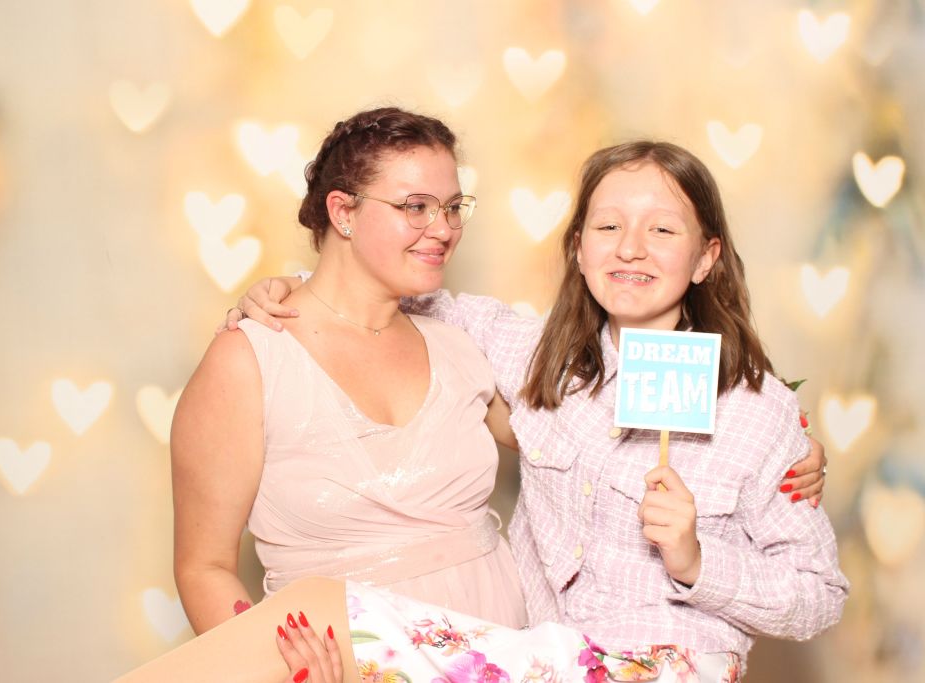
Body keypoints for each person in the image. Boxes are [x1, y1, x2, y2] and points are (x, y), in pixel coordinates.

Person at [230, 140, 847, 680]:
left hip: (673, 665)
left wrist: (697, 560)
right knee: (355, 628)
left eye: (662, 231)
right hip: (539, 656)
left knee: (372, 637)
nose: (631, 249)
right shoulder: (531, 356)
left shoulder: (756, 408)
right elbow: (385, 295)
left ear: (706, 257)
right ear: (578, 248)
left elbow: (819, 597)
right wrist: (290, 287)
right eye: (608, 227)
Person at [169, 106, 530, 653]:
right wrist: (277, 667)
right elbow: (204, 567)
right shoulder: (249, 358)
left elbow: (567, 451)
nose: (444, 229)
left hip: (504, 656)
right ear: (343, 212)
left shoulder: (459, 344)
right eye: (417, 207)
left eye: (454, 208)